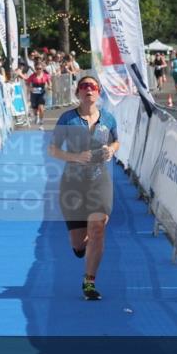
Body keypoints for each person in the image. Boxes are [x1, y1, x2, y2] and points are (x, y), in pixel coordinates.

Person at [48, 75, 120, 302]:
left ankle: (89, 282)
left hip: (100, 180)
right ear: (78, 92)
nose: (88, 90)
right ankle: (83, 247)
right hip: (73, 183)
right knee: (79, 244)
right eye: (84, 87)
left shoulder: (108, 118)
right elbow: (53, 150)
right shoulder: (67, 119)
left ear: (98, 93)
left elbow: (116, 141)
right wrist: (75, 156)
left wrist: (112, 149)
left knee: (98, 227)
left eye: (93, 87)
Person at [24, 62, 51, 127]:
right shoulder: (32, 76)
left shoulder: (45, 75)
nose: (38, 70)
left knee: (41, 108)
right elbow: (27, 83)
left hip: (42, 93)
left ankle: (41, 120)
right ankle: (36, 116)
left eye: (39, 68)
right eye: (37, 69)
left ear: (42, 69)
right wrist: (30, 88)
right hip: (34, 93)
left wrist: (49, 87)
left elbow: (50, 83)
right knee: (35, 109)